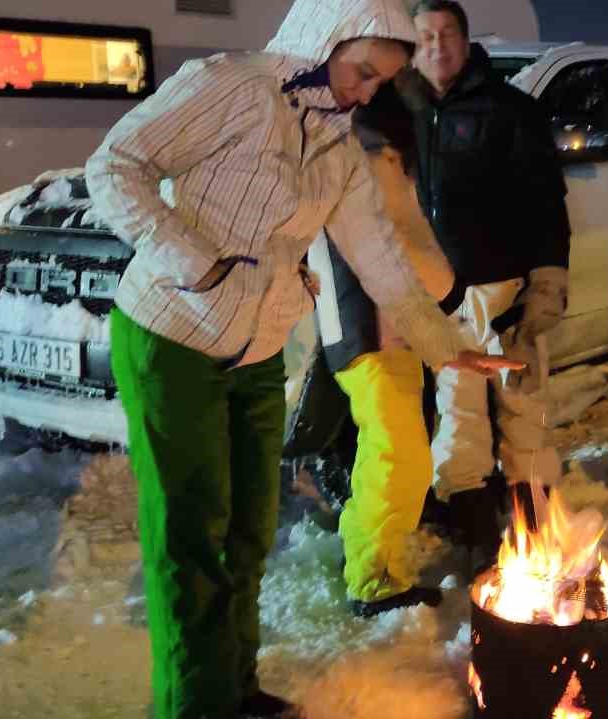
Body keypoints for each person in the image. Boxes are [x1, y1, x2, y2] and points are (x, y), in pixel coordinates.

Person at [83, 0, 516, 716]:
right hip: (171, 334)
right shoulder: (230, 86)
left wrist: (447, 347)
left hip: (255, 350)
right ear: (327, 37)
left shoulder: (337, 149)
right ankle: (193, 704)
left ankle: (236, 688)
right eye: (364, 71)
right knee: (191, 540)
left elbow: (380, 259)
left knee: (250, 536)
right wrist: (191, 258)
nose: (367, 91)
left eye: (381, 82)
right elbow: (115, 164)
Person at [406, 0, 573, 562]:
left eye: (446, 33)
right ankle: (476, 538)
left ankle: (535, 536)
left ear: (465, 37)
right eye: (425, 35)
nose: (436, 45)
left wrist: (546, 287)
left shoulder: (510, 111)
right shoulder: (402, 109)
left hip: (506, 297)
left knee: (523, 415)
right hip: (441, 303)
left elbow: (548, 204)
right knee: (459, 423)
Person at [311, 80, 462, 617]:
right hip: (369, 329)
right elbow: (398, 243)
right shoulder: (368, 157)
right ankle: (372, 584)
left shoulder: (365, 151)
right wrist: (444, 285)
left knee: (394, 457)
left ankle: (371, 564)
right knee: (398, 458)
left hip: (386, 329)